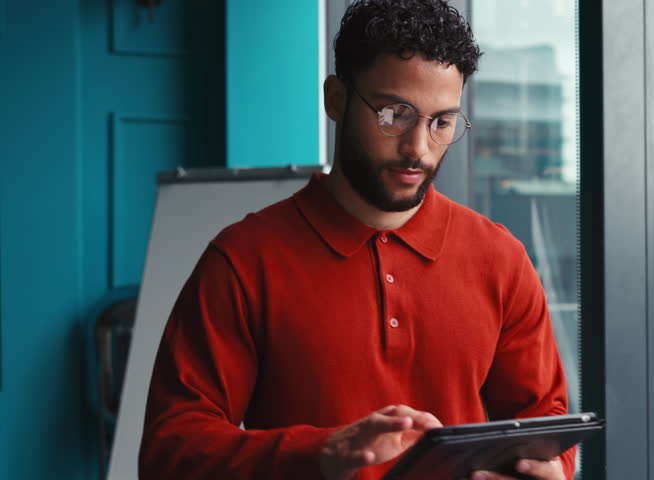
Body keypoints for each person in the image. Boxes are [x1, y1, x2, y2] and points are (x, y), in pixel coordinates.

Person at [138, 1, 574, 479]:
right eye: (395, 114)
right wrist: (322, 452)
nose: (418, 148)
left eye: (442, 122)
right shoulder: (243, 259)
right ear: (336, 99)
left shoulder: (500, 258)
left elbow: (544, 428)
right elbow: (170, 451)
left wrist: (547, 469)